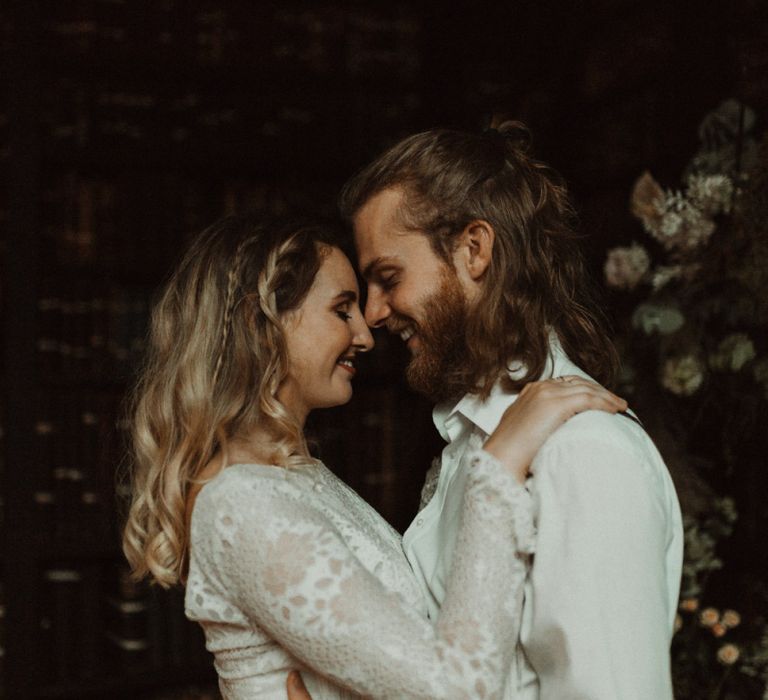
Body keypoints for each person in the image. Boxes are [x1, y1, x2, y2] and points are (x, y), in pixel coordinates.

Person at [121, 215, 628, 699]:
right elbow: (455, 689)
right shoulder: (240, 503)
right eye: (342, 310)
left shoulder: (292, 476)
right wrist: (496, 467)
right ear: (261, 324)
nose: (365, 335)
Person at [331, 122, 685, 700]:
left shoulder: (583, 453)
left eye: (388, 278)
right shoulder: (473, 441)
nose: (372, 314)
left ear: (475, 249)